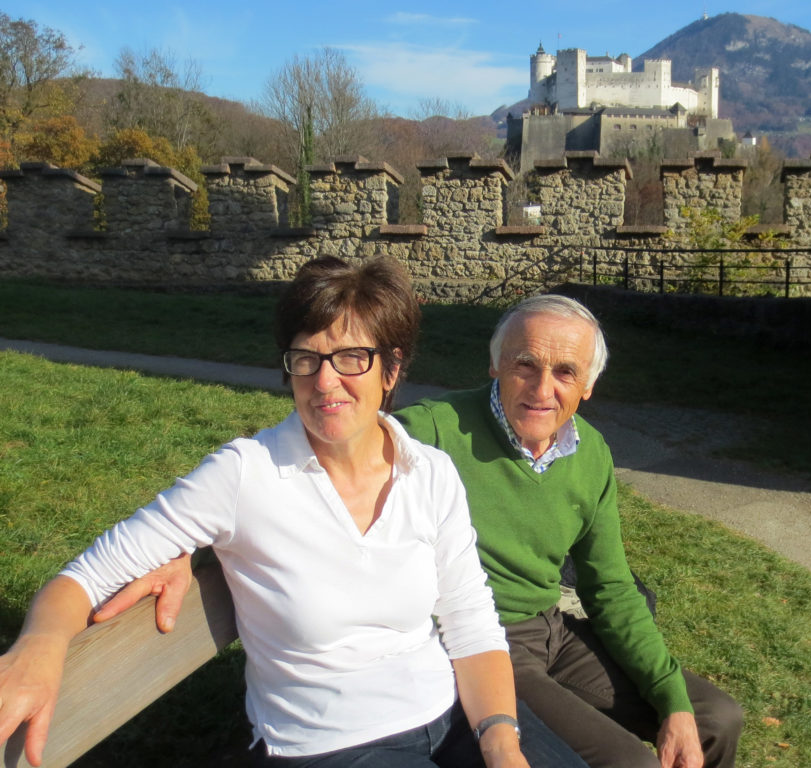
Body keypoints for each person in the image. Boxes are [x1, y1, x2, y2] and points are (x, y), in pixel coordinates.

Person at [101, 293, 743, 768]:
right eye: (525, 364)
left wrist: (671, 698)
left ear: (589, 385)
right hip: (488, 646)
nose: (542, 388)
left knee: (715, 720)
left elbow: (612, 588)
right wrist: (189, 544)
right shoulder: (435, 431)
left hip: (553, 627)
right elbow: (335, 442)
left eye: (565, 373)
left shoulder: (592, 454)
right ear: (496, 365)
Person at [0, 257, 587, 768]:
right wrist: (38, 645)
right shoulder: (244, 474)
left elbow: (470, 623)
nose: (325, 381)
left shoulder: (429, 472)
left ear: (392, 369)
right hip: (331, 742)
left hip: (455, 711)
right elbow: (82, 577)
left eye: (351, 357)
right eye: (305, 359)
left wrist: (501, 742)